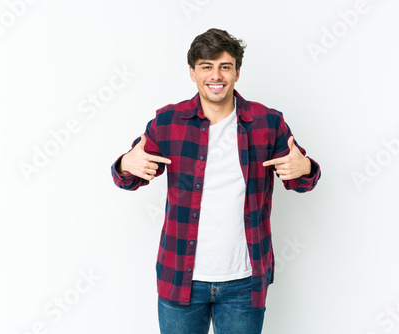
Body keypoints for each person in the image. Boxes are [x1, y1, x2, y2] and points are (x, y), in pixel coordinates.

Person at [111, 28, 321, 334]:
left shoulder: (268, 122)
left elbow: (300, 179)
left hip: (244, 282)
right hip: (180, 276)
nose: (216, 75)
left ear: (237, 72)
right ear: (192, 73)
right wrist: (124, 164)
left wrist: (306, 168)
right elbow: (129, 178)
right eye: (206, 66)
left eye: (225, 66)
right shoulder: (168, 121)